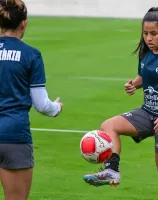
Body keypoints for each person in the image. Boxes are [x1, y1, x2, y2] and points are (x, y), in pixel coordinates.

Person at [83, 7, 158, 200]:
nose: (148, 38)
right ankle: (112, 170)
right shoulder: (145, 50)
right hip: (148, 112)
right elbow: (144, 76)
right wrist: (134, 83)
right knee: (109, 125)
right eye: (145, 33)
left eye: (154, 34)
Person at [0, 0, 63, 199]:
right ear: (24, 23)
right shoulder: (31, 55)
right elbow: (42, 105)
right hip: (14, 136)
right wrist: (56, 108)